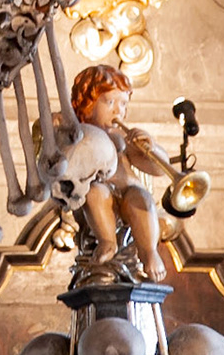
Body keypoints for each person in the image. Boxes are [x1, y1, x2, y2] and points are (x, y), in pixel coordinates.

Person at [70, 63, 168, 281]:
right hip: (100, 194)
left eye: (123, 104)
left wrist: (151, 148)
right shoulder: (81, 136)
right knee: (95, 193)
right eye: (110, 102)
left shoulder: (124, 137)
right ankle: (107, 242)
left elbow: (159, 169)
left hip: (129, 194)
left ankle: (149, 252)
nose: (118, 111)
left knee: (142, 199)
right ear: (88, 104)